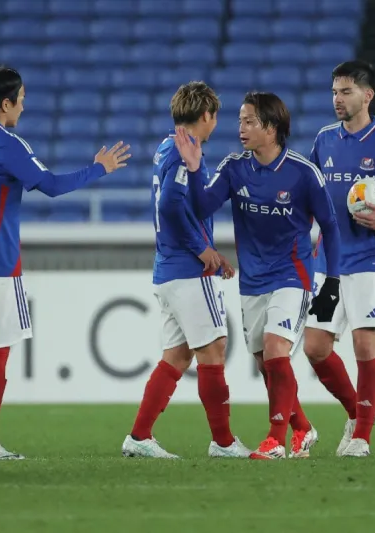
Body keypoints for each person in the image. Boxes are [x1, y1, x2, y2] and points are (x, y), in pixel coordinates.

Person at [0, 66, 131, 460]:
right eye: (22, 99)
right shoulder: (8, 144)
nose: (24, 106)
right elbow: (50, 186)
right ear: (5, 103)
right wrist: (100, 168)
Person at [174, 92, 342, 459]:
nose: (241, 129)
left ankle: (274, 439)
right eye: (240, 121)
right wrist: (193, 168)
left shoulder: (302, 173)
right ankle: (302, 428)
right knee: (268, 366)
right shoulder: (235, 167)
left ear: (272, 128)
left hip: (292, 276)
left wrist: (332, 281)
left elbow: (330, 225)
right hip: (252, 281)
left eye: (249, 121)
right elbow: (203, 205)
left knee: (277, 351)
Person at [122, 81, 251, 459]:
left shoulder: (167, 146)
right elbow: (171, 206)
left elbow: (178, 206)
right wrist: (202, 250)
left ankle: (140, 437)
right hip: (186, 269)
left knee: (177, 357)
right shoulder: (185, 152)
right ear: (206, 115)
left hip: (167, 269)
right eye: (216, 116)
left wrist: (209, 249)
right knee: (213, 349)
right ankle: (224, 443)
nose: (216, 124)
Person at [304, 60, 375, 457]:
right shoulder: (323, 140)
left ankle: (361, 438)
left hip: (371, 256)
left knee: (365, 345)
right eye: (335, 91)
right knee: (315, 348)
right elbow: (309, 193)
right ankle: (357, 412)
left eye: (346, 91)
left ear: (367, 95)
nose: (338, 99)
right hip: (328, 261)